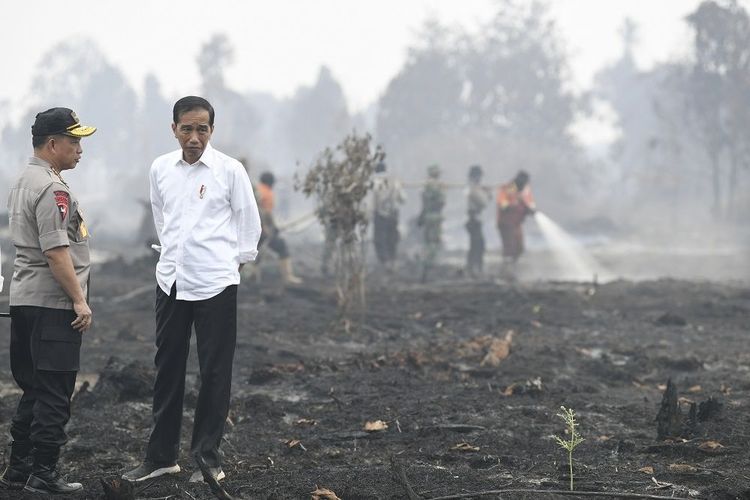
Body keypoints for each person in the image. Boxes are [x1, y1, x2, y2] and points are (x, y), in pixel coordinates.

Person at [123, 96, 261, 484]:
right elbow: (161, 216)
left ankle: (207, 459)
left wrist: (228, 264)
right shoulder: (160, 169)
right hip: (170, 281)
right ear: (174, 129)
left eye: (202, 129)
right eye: (187, 128)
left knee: (214, 372)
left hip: (216, 284)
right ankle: (161, 456)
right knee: (168, 368)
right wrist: (174, 257)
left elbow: (249, 226)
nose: (195, 136)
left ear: (211, 131)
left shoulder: (230, 171)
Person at [2, 107, 96, 494]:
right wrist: (79, 301)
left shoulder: (24, 179)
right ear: (53, 143)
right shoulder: (53, 188)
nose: (80, 149)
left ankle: (18, 469)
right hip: (52, 305)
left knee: (35, 389)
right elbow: (57, 251)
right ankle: (44, 473)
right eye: (74, 141)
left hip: (24, 300)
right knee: (56, 391)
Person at [252, 172, 302, 284]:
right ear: (271, 183)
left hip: (250, 230)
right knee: (281, 246)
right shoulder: (268, 193)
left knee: (254, 252)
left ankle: (254, 276)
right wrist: (274, 227)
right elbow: (267, 214)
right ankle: (288, 277)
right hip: (261, 230)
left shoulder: (256, 189)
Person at [496, 170, 536, 268]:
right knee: (510, 247)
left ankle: (512, 265)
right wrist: (512, 204)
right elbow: (502, 204)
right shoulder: (509, 188)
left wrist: (532, 209)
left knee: (519, 247)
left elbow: (530, 203)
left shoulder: (525, 190)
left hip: (516, 223)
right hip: (506, 223)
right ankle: (506, 269)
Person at [371, 161, 405, 272]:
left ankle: (385, 262)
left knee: (379, 239)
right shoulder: (394, 181)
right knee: (392, 238)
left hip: (380, 214)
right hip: (393, 213)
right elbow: (403, 199)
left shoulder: (375, 182)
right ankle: (392, 260)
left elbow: (372, 201)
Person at [417, 164, 445, 282]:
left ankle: (425, 268)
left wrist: (421, 216)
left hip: (428, 216)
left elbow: (424, 204)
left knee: (428, 242)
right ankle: (428, 268)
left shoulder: (426, 186)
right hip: (435, 216)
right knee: (433, 243)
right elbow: (442, 202)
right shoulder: (437, 186)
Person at [465, 165, 489, 278]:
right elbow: (483, 202)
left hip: (475, 220)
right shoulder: (473, 188)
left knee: (477, 246)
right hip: (474, 220)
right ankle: (474, 270)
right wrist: (487, 194)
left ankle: (474, 269)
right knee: (478, 246)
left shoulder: (473, 187)